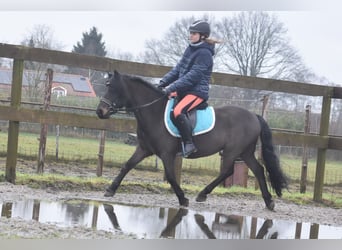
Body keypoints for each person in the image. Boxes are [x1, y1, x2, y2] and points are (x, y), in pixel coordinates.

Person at [158, 20, 220, 157]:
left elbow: (193, 76)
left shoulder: (205, 54)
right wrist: (162, 83)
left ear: (202, 36)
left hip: (197, 91)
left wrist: (171, 87)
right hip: (185, 90)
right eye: (190, 33)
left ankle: (189, 144)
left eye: (193, 33)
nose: (190, 35)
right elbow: (178, 69)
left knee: (179, 110)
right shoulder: (191, 48)